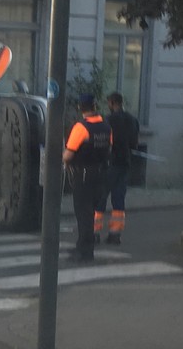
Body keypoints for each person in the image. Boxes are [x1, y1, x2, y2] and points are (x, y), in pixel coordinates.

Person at [63, 94, 112, 263]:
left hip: (83, 174)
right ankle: (83, 246)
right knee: (90, 213)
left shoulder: (81, 128)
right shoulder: (106, 126)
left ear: (80, 108)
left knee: (83, 213)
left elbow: (68, 155)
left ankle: (85, 251)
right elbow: (109, 148)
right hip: (101, 173)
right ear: (95, 106)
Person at [95, 92, 140, 245]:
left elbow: (102, 142)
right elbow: (134, 144)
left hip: (110, 163)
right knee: (119, 199)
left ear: (112, 103)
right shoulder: (133, 120)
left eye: (108, 103)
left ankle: (93, 232)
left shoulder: (108, 120)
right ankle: (115, 234)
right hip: (125, 164)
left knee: (100, 197)